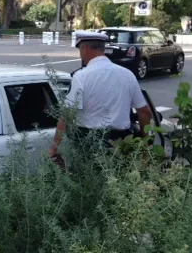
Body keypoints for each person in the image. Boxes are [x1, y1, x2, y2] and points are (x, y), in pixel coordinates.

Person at [49, 31, 153, 160]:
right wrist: (146, 145)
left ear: (85, 48)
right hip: (121, 144)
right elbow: (144, 112)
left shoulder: (81, 76)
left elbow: (66, 115)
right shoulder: (127, 75)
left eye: (80, 51)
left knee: (88, 178)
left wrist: (54, 148)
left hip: (89, 145)